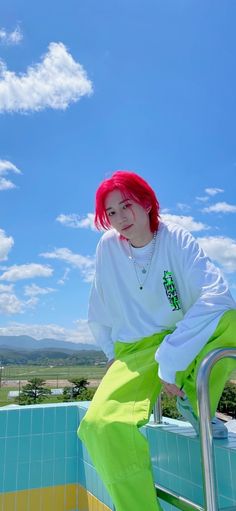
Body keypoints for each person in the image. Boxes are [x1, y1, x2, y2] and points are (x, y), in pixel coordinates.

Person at [77, 170, 236, 511]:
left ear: (147, 202)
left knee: (231, 321)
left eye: (126, 205)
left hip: (179, 339)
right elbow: (99, 303)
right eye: (112, 213)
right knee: (99, 426)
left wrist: (173, 358)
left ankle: (195, 402)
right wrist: (111, 352)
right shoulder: (108, 247)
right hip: (134, 350)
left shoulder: (176, 238)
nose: (120, 218)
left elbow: (218, 296)